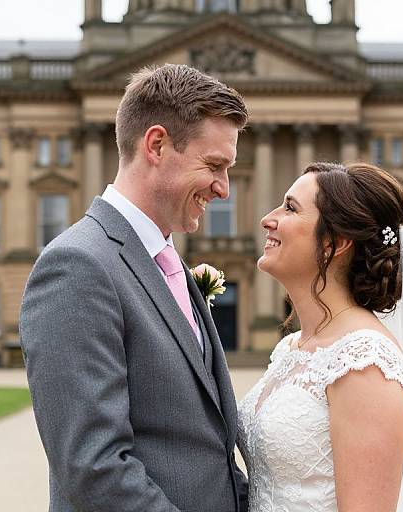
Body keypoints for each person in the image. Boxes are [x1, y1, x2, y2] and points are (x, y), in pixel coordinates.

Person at [20, 64, 249, 512]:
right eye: (215, 165)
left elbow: (210, 452)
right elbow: (95, 467)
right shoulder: (78, 266)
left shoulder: (169, 264)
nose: (223, 189)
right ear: (157, 145)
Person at [237, 162, 403, 511]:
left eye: (290, 208)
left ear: (336, 241)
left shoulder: (365, 359)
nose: (267, 219)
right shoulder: (290, 347)